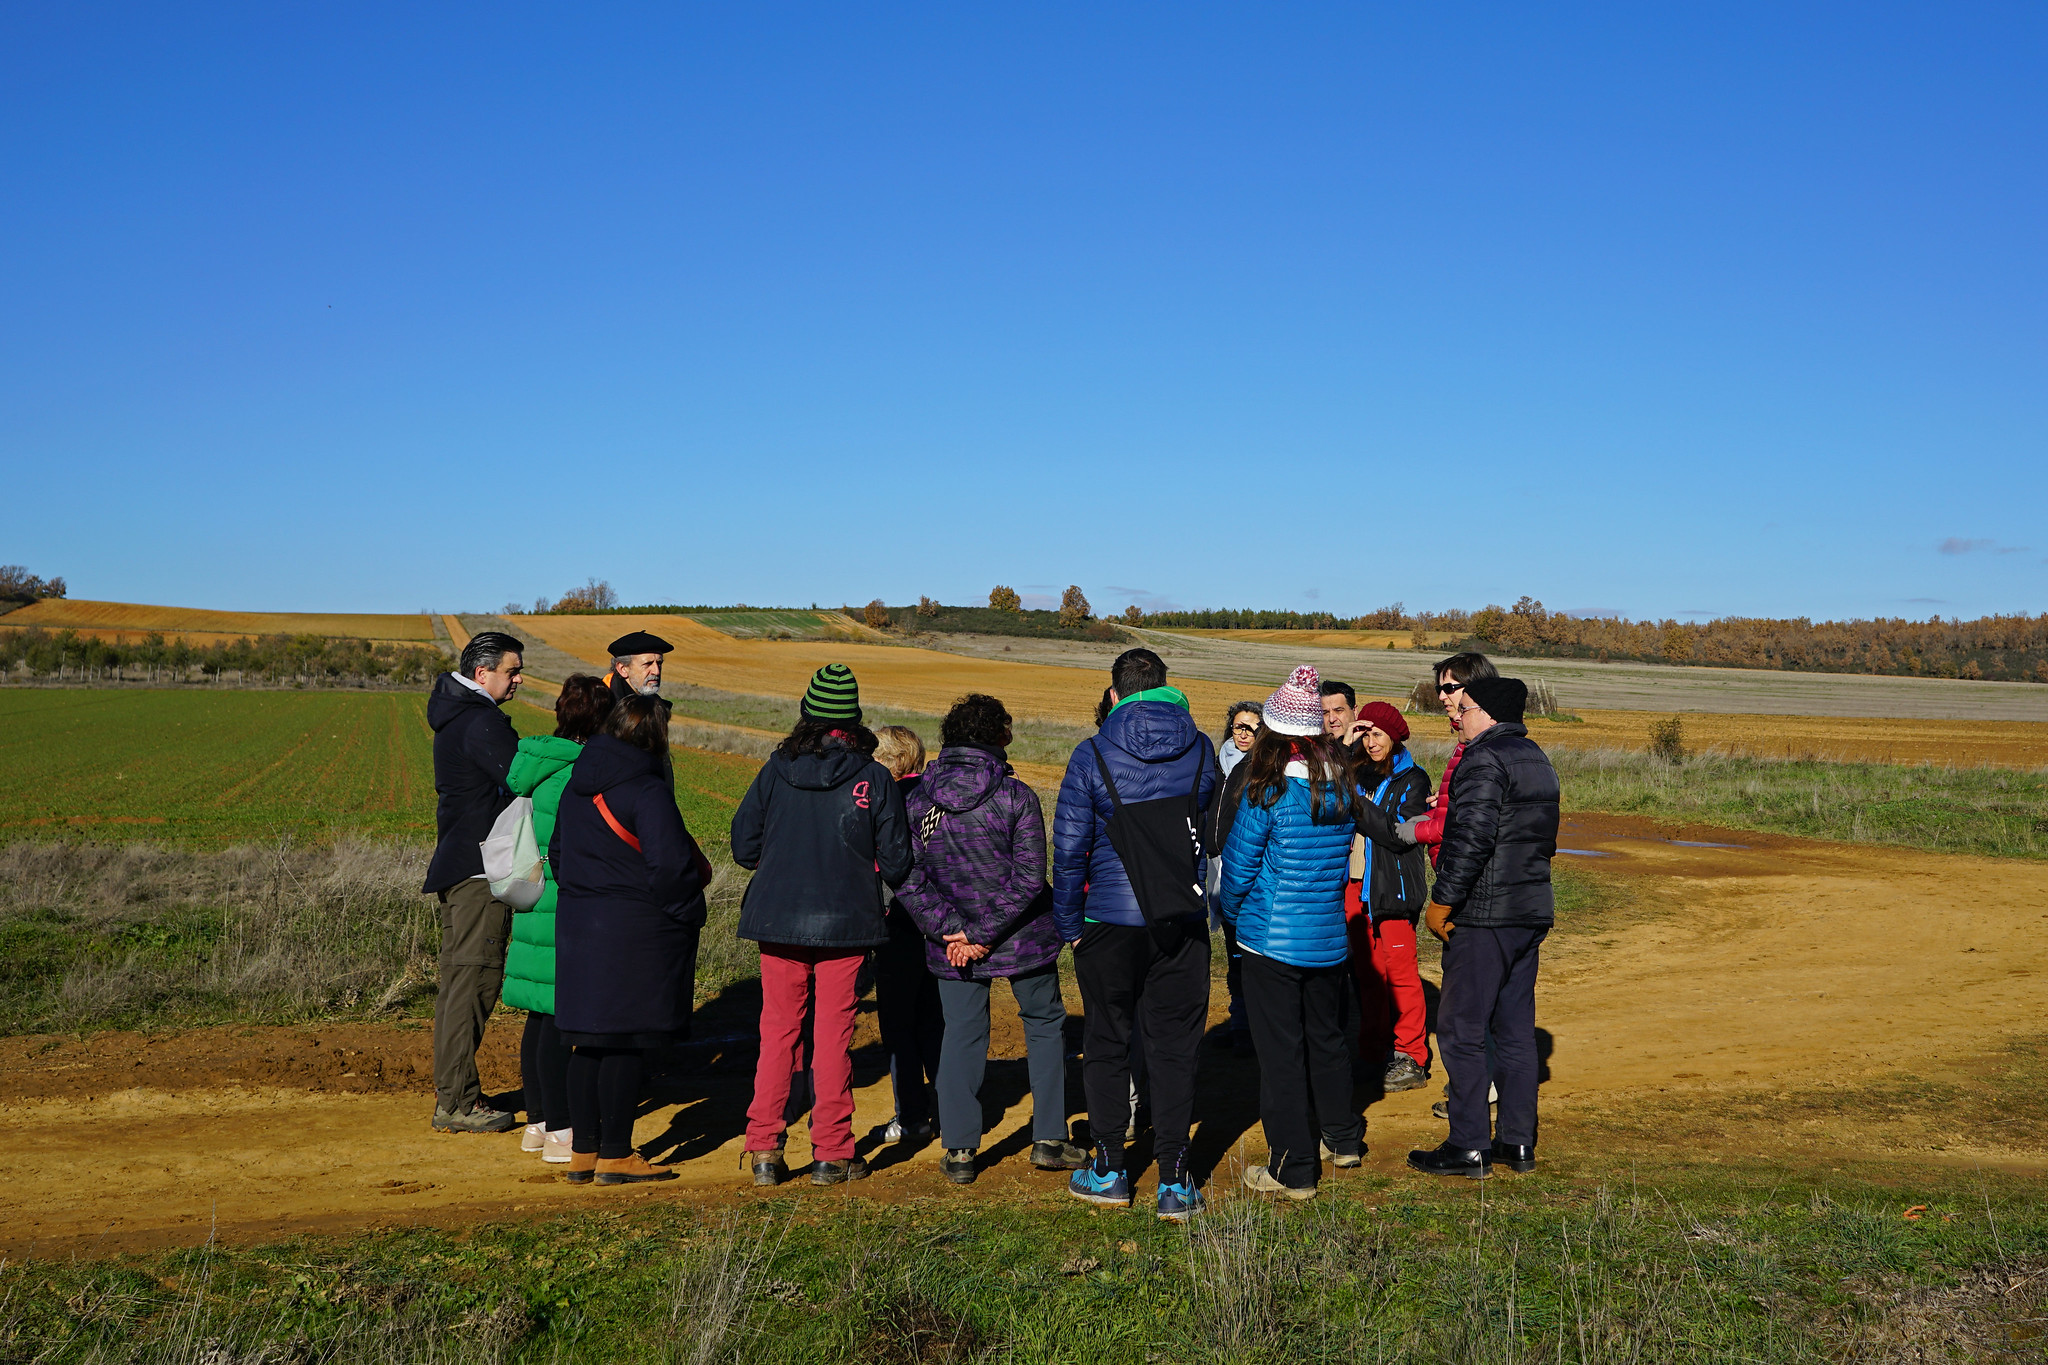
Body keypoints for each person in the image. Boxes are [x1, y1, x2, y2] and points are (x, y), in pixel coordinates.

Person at [731, 664, 912, 1187]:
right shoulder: (873, 777)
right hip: (848, 925)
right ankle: (832, 1152)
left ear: (806, 714)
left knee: (778, 1033)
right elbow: (898, 864)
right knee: (833, 1037)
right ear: (853, 721)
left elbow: (744, 847)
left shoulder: (775, 769)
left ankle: (764, 1146)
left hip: (777, 920)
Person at [1054, 648, 1216, 1222]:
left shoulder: (1092, 752)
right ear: (1167, 686)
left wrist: (1070, 926)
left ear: (1116, 693)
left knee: (1105, 1043)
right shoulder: (1200, 748)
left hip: (1108, 922)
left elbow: (1070, 851)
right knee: (1174, 1048)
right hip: (1180, 919)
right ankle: (1174, 1180)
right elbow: (1208, 833)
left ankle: (1109, 1169)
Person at [898, 695, 1085, 1186]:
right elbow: (1028, 878)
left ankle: (959, 1150)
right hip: (1022, 937)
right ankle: (1049, 1138)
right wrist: (978, 934)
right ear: (1001, 737)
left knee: (961, 1033)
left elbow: (907, 875)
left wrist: (951, 930)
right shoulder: (1016, 796)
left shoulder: (919, 800)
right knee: (1044, 1025)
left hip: (951, 943)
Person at [1217, 665, 1365, 1200]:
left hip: (1271, 941)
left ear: (1278, 735)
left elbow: (1236, 870)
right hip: (1327, 939)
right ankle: (1342, 1136)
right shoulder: (1342, 788)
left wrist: (1232, 917)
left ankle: (1293, 1168)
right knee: (1326, 1039)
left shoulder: (1268, 790)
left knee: (1280, 1056)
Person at [551, 695, 712, 1185]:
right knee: (624, 1043)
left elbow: (557, 854)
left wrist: (588, 896)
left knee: (587, 1042)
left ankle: (584, 1152)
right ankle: (617, 1154)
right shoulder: (647, 790)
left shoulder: (576, 786)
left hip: (579, 925)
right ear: (654, 737)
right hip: (637, 932)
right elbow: (671, 869)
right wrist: (685, 913)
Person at [1407, 677, 1560, 1180]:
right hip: (1529, 910)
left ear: (1488, 713)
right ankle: (1516, 1143)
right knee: (1515, 1032)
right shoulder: (1537, 758)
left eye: (1465, 707)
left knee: (1461, 1029)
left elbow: (1468, 842)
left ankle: (1468, 1144)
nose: (1458, 715)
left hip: (1484, 915)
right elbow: (1544, 842)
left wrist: (1440, 904)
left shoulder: (1482, 760)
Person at [504, 674, 616, 1164]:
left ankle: (537, 1122)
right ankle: (561, 1130)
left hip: (532, 894)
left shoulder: (536, 761)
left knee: (538, 1015)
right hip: (565, 902)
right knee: (555, 1020)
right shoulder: (581, 771)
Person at [421, 631, 527, 1134]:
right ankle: (458, 1104)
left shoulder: (459, 717)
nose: (519, 679)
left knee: (463, 983)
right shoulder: (481, 723)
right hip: (479, 872)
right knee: (472, 984)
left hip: (463, 865)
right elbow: (524, 777)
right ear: (482, 674)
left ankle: (458, 1094)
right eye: (512, 670)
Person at [1392, 652, 1498, 1122]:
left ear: (1475, 692)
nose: (1442, 697)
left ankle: (1477, 1095)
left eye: (1451, 687)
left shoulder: (1483, 750)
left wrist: (1416, 829)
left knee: (1468, 1006)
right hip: (1463, 885)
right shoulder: (1465, 748)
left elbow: (1470, 828)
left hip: (1472, 893)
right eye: (1440, 688)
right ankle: (1479, 1089)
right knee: (1473, 1002)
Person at [1342, 702, 1433, 1093]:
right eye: (1365, 733)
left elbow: (1396, 833)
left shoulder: (1414, 779)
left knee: (1400, 976)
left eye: (1378, 733)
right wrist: (1344, 752)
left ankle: (1410, 1057)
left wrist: (1354, 801)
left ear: (1395, 737)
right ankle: (1372, 1052)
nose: (1371, 741)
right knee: (1368, 976)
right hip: (1354, 885)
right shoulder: (1355, 769)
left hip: (1392, 888)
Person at [869, 725, 943, 1144]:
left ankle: (912, 1115)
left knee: (899, 1024)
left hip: (898, 919)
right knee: (935, 1020)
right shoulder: (937, 797)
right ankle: (951, 1110)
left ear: (893, 762)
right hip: (939, 922)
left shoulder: (884, 798)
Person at [1203, 702, 1264, 1047]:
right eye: (1238, 727)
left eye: (1251, 729)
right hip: (1215, 865)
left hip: (1245, 868)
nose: (1243, 734)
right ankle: (1240, 1019)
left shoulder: (1260, 768)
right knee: (1231, 944)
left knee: (1247, 945)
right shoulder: (1216, 765)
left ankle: (1251, 1023)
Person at [606, 631, 672, 705]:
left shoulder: (658, 707)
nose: (656, 671)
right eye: (648, 664)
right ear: (623, 669)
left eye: (659, 663)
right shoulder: (598, 704)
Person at [1318, 680, 1357, 745]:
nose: (1331, 719)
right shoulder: (1313, 749)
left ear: (1355, 711)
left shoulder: (1370, 746)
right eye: (1325, 713)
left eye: (1338, 711)